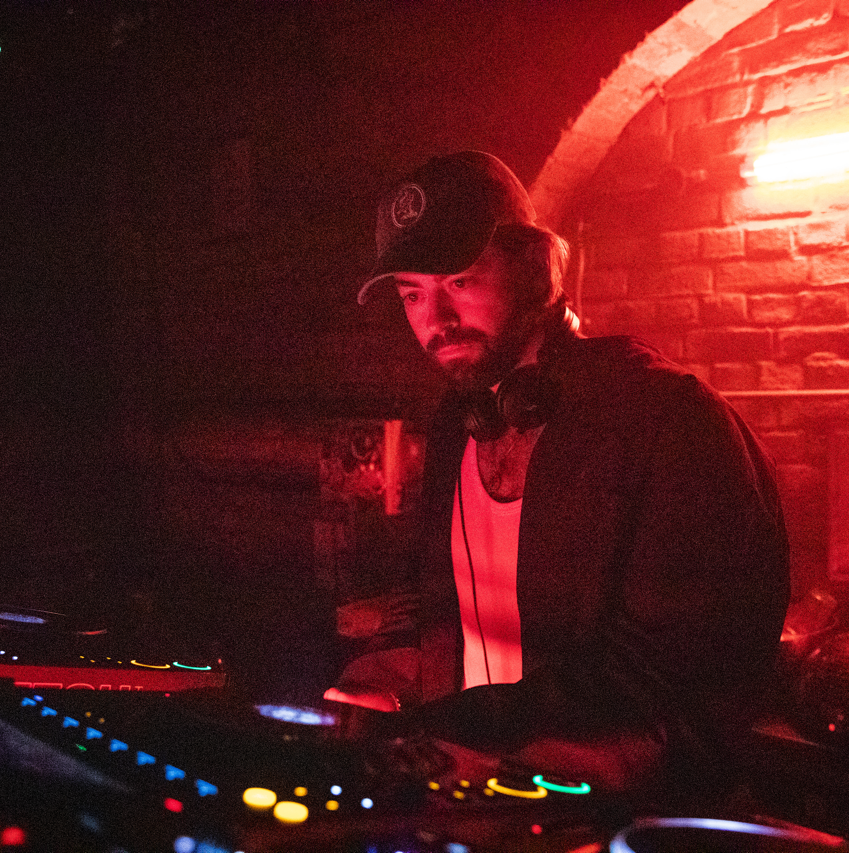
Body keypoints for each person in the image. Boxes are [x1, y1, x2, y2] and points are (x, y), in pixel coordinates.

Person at [327, 151, 790, 799]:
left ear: (535, 268)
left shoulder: (666, 419)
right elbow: (452, 613)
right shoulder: (459, 419)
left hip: (606, 809)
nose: (434, 320)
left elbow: (666, 680)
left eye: (459, 281)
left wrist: (451, 725)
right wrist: (399, 667)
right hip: (472, 791)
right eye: (412, 293)